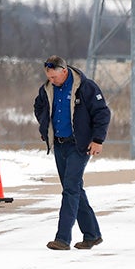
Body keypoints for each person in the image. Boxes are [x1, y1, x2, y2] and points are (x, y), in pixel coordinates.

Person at [33, 54, 111, 251]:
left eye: (54, 77)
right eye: (49, 77)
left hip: (80, 145)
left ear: (64, 71)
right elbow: (39, 107)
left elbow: (102, 113)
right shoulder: (47, 89)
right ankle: (92, 235)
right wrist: (46, 128)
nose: (51, 80)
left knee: (70, 189)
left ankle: (62, 238)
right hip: (59, 145)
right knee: (75, 189)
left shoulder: (85, 87)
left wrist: (97, 140)